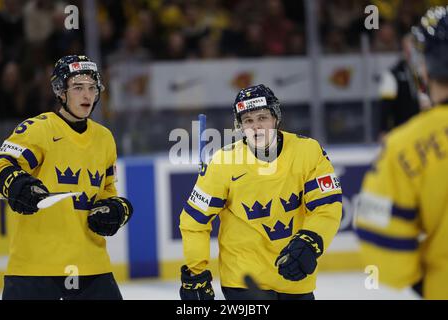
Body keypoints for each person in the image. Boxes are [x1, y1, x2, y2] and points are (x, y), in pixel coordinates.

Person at [179, 84, 342, 300]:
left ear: (276, 118)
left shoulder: (308, 152)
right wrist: (195, 271)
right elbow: (194, 221)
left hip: (294, 275)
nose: (256, 127)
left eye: (262, 117)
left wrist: (310, 241)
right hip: (244, 280)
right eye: (248, 120)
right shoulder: (223, 162)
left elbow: (326, 206)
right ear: (240, 127)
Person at [0, 55, 133, 300]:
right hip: (35, 270)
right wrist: (17, 185)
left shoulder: (104, 138)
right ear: (61, 92)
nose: (87, 95)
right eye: (78, 87)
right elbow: (2, 165)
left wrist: (115, 208)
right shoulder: (38, 129)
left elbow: (107, 190)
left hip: (93, 269)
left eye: (92, 88)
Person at [354, 6, 448, 299]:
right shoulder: (393, 76)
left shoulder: (403, 147)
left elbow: (381, 239)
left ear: (426, 66)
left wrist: (424, 280)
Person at [377, 33, 430, 140]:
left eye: (416, 47)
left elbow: (425, 98)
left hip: (422, 130)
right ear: (404, 49)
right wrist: (383, 130)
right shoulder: (392, 74)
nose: (413, 51)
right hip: (401, 130)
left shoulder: (423, 72)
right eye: (410, 47)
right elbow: (385, 106)